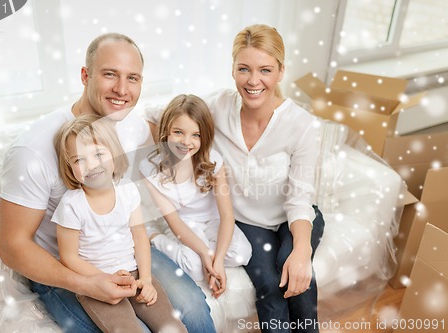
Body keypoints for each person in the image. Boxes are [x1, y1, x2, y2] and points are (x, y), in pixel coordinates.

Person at [0, 32, 216, 333]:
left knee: (191, 311)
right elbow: (12, 246)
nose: (122, 89)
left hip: (126, 251)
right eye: (110, 74)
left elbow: (174, 142)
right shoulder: (32, 150)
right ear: (85, 75)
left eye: (133, 78)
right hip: (66, 265)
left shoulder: (132, 125)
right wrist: (86, 283)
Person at [146, 24, 325, 333]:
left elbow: (299, 199)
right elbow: (157, 113)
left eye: (265, 70)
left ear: (281, 71)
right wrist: (166, 162)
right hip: (249, 223)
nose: (253, 81)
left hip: (295, 218)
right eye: (244, 69)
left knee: (294, 272)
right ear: (232, 70)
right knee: (270, 284)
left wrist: (301, 251)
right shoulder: (218, 107)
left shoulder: (303, 125)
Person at [52, 114, 187, 333]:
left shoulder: (127, 190)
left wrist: (145, 278)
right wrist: (104, 279)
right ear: (69, 167)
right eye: (79, 160)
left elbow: (140, 237)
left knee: (173, 328)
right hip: (95, 282)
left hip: (133, 273)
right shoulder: (71, 205)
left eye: (98, 154)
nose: (91, 165)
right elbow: (69, 257)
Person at [139, 94, 252, 298]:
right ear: (166, 132)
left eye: (195, 135)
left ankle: (208, 252)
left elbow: (227, 216)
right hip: (183, 224)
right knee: (195, 268)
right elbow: (175, 222)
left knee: (242, 254)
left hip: (213, 220)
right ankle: (154, 237)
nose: (186, 142)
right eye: (178, 132)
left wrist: (217, 260)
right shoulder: (149, 168)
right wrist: (205, 253)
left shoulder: (214, 161)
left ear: (205, 136)